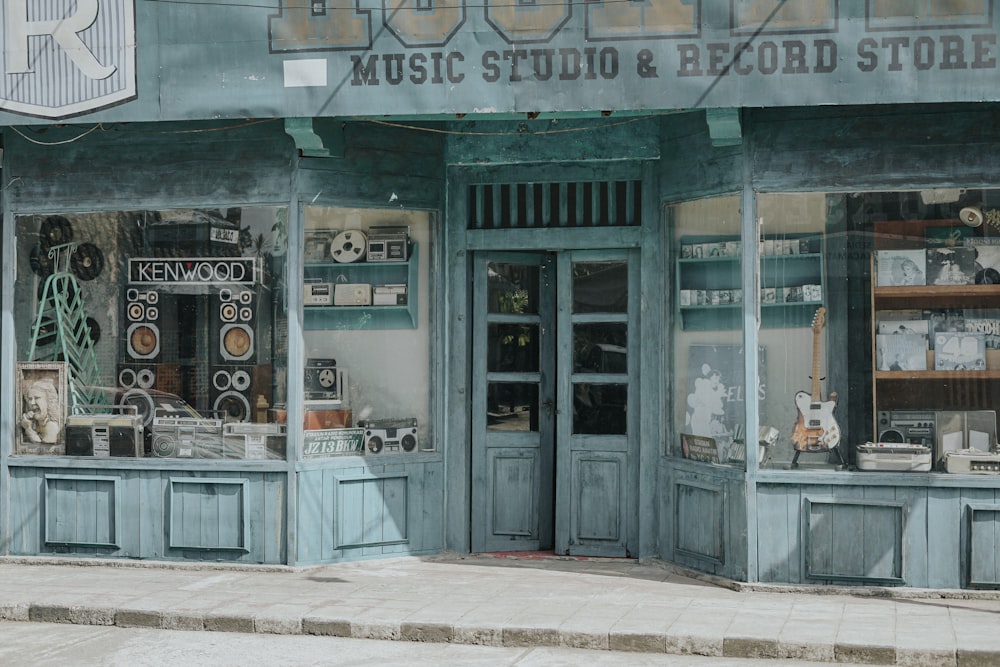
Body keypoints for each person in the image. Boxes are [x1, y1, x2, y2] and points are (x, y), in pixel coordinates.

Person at [20, 378, 62, 444]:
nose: (32, 403)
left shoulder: (51, 426)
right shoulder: (36, 422)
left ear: (48, 401)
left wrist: (28, 429)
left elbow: (42, 447)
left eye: (37, 398)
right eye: (30, 399)